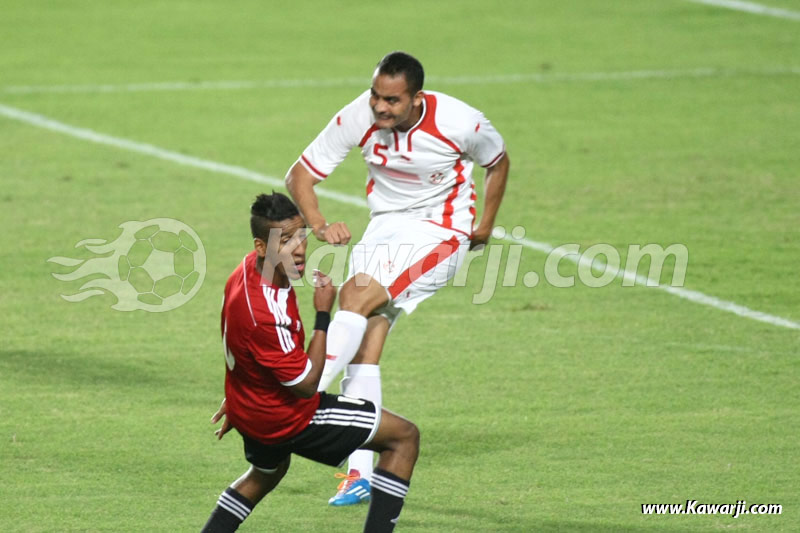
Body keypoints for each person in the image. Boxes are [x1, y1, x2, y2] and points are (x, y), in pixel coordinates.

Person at [285, 51, 509, 506]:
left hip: (441, 233)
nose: (380, 107)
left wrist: (484, 225)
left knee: (355, 298)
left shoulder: (460, 122)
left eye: (392, 100)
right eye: (376, 96)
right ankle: (360, 475)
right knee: (364, 343)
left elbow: (498, 161)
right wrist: (320, 224)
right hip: (384, 229)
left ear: (416, 98)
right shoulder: (359, 116)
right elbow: (299, 176)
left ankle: (296, 399)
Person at [201, 192, 419, 533]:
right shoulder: (266, 313)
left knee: (265, 474)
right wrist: (323, 314)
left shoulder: (246, 271)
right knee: (403, 438)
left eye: (301, 236)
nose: (300, 248)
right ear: (261, 246)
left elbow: (240, 342)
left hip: (251, 408)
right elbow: (307, 385)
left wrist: (243, 396)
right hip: (287, 417)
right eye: (286, 240)